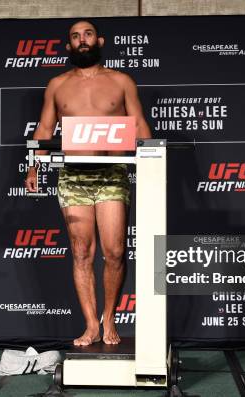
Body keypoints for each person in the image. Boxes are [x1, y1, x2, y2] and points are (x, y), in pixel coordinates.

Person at [25, 20, 152, 346]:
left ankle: (110, 318)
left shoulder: (122, 81)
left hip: (111, 172)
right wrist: (33, 166)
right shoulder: (57, 84)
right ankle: (91, 325)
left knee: (114, 252)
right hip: (73, 175)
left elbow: (137, 123)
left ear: (100, 41)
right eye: (75, 36)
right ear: (68, 46)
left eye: (88, 34)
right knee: (82, 252)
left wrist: (154, 162)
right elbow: (44, 128)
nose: (82, 40)